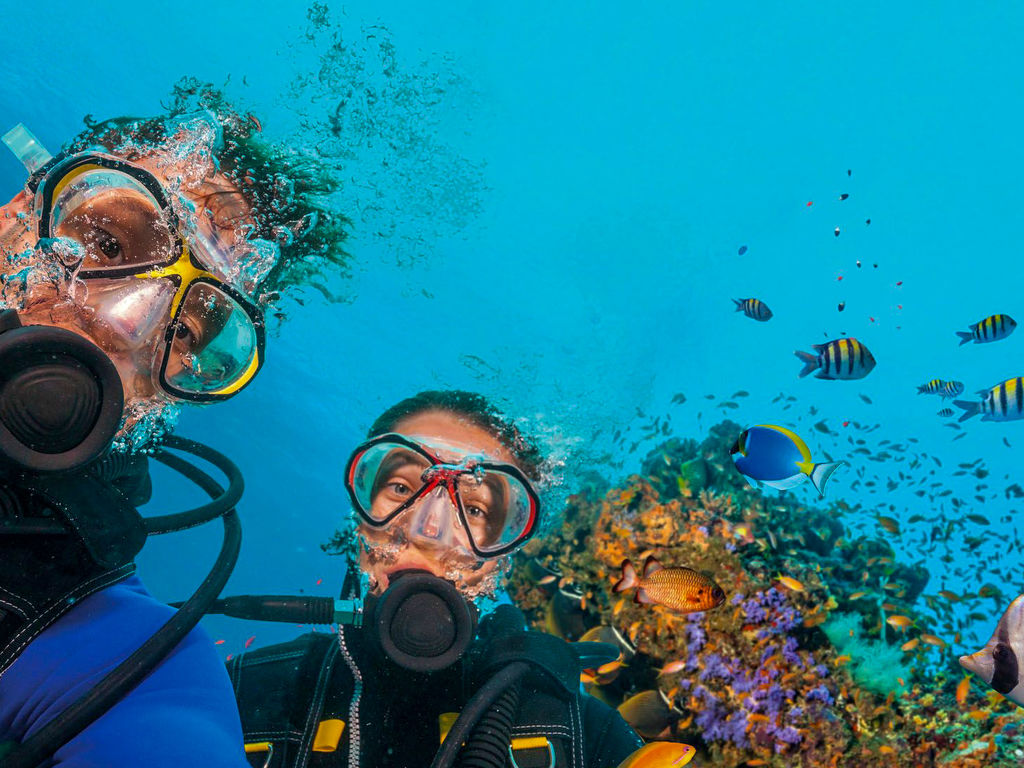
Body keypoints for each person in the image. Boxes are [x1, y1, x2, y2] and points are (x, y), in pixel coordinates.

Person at [0, 80, 348, 767]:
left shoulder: (126, 657)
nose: (127, 324)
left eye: (184, 330)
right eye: (106, 241)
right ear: (17, 214)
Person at [229, 390, 645, 768]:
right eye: (399, 487)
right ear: (358, 518)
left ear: (501, 559)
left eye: (475, 510)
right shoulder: (236, 692)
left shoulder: (585, 736)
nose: (427, 530)